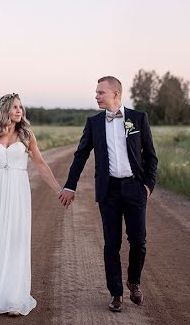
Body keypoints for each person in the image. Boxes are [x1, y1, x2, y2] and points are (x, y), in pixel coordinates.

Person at [59, 76, 158, 312]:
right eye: (96, 92)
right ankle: (116, 293)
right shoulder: (94, 123)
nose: (96, 96)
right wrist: (70, 186)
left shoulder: (138, 118)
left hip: (135, 189)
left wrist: (147, 186)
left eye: (100, 92)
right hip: (109, 191)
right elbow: (80, 155)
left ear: (115, 94)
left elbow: (151, 157)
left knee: (138, 241)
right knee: (111, 243)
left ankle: (134, 282)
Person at [0, 92, 65, 316]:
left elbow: (41, 164)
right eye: (15, 107)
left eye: (20, 107)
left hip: (17, 191)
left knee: (15, 240)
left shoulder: (26, 135)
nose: (19, 111)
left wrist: (58, 189)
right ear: (5, 110)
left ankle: (14, 297)